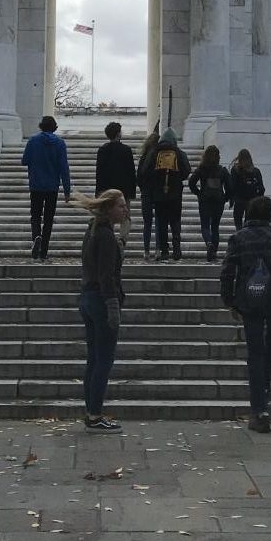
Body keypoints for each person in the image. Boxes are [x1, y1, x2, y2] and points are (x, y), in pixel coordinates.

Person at [220, 195, 271, 433]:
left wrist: (230, 300)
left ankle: (259, 409)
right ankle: (264, 389)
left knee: (255, 351)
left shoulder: (238, 238)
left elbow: (227, 271)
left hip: (249, 300)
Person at [77, 188, 129, 430]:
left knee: (94, 359)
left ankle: (91, 412)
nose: (125, 210)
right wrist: (113, 306)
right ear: (109, 209)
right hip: (101, 299)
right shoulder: (106, 235)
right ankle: (95, 413)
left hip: (88, 297)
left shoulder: (93, 230)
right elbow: (108, 275)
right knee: (104, 360)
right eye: (121, 206)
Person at [21, 115, 71, 260]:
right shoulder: (60, 144)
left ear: (41, 126)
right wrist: (67, 191)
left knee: (35, 215)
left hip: (36, 185)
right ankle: (44, 252)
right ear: (54, 127)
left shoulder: (33, 141)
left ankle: (36, 236)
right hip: (52, 187)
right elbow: (64, 168)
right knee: (49, 219)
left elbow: (24, 161)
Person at [148, 127, 191, 261]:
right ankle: (177, 249)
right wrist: (177, 180)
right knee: (175, 222)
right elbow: (186, 170)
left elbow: (146, 171)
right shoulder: (179, 153)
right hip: (175, 194)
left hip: (159, 195)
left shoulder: (154, 152)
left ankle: (164, 250)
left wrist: (155, 183)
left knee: (162, 222)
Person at [188, 144, 231, 262]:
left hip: (205, 200)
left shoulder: (201, 169)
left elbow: (191, 182)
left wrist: (198, 193)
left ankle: (208, 243)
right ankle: (214, 253)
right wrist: (225, 197)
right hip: (218, 201)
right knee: (215, 226)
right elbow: (230, 186)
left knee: (205, 225)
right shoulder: (222, 170)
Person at [134, 125, 161, 260]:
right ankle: (157, 249)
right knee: (158, 222)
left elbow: (139, 177)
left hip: (146, 193)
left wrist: (143, 188)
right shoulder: (160, 157)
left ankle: (146, 251)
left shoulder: (144, 158)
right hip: (159, 193)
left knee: (147, 223)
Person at [95, 121, 137, 200]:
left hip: (107, 191)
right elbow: (131, 172)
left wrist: (98, 193)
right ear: (118, 134)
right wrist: (132, 192)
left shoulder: (102, 150)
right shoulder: (126, 150)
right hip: (123, 190)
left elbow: (99, 173)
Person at [228, 148, 266, 230]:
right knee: (249, 222)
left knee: (238, 221)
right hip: (252, 201)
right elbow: (262, 188)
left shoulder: (235, 170)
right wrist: (259, 199)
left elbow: (232, 186)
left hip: (239, 200)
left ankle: (239, 235)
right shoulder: (256, 171)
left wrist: (231, 199)